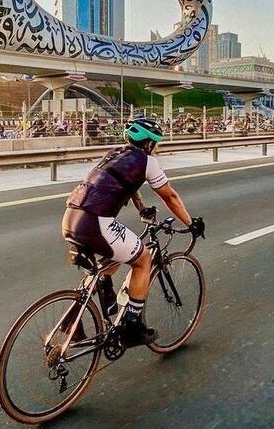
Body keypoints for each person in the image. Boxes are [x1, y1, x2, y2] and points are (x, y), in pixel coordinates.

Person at [61, 117, 204, 347]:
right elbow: (170, 196)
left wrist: (143, 209)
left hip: (71, 217)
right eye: (156, 144)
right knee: (143, 259)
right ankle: (132, 326)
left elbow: (130, 188)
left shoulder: (114, 154)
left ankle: (74, 316)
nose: (156, 149)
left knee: (115, 257)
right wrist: (190, 223)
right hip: (97, 222)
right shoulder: (147, 161)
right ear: (149, 144)